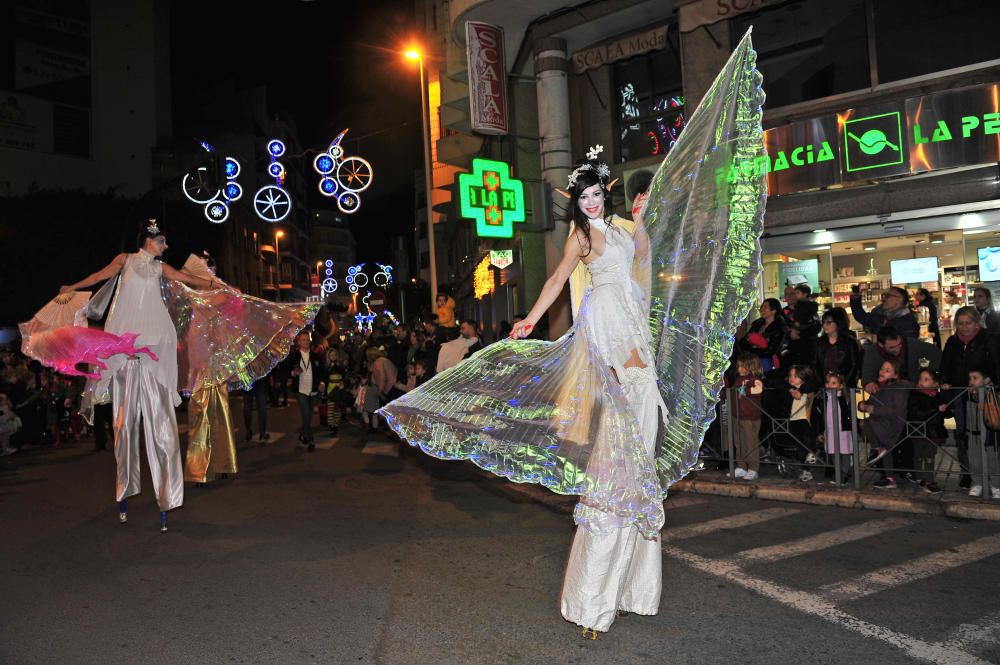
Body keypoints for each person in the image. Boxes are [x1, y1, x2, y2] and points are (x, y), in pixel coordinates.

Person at [379, 36, 765, 639]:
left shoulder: (624, 230)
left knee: (638, 481)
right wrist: (531, 319)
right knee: (613, 484)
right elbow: (560, 281)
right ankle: (590, 604)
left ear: (603, 194)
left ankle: (636, 592)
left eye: (595, 193)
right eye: (583, 195)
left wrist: (652, 218)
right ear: (575, 203)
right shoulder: (582, 241)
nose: (590, 201)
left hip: (641, 361)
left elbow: (651, 270)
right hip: (606, 345)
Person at [57, 220, 217, 532]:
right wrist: (73, 287)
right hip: (123, 350)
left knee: (161, 426)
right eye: (162, 241)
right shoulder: (124, 260)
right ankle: (124, 491)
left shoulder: (161, 268)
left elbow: (190, 280)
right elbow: (97, 276)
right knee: (124, 425)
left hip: (155, 348)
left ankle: (167, 495)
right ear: (148, 240)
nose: (166, 246)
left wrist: (218, 285)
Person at [940, 307, 1000, 486]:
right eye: (960, 323)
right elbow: (945, 366)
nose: (964, 327)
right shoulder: (952, 342)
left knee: (989, 436)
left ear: (977, 323)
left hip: (985, 395)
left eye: (968, 323)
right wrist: (945, 381)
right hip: (961, 395)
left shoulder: (990, 339)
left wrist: (988, 381)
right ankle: (970, 475)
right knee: (964, 435)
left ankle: (994, 477)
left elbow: (996, 366)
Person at [859, 358, 909, 490]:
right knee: (885, 450)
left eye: (887, 370)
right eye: (882, 369)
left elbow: (894, 409)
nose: (882, 372)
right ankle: (889, 477)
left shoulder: (898, 389)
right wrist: (862, 405)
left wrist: (873, 410)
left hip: (891, 424)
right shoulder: (879, 387)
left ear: (896, 375)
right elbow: (871, 401)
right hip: (880, 422)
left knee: (867, 425)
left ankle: (877, 451)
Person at [282, 331, 325, 452]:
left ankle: (303, 433)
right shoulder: (294, 356)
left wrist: (322, 382)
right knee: (306, 414)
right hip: (300, 391)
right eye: (303, 340)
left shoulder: (316, 356)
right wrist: (292, 373)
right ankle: (310, 440)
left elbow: (322, 372)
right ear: (299, 342)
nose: (305, 342)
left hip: (313, 391)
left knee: (308, 416)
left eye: (307, 340)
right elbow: (286, 371)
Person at [860, 326, 941, 391]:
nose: (897, 349)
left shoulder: (911, 344)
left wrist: (929, 374)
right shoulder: (872, 352)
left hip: (911, 391)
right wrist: (869, 383)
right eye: (892, 347)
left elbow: (936, 353)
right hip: (885, 393)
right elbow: (867, 373)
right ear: (881, 345)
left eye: (900, 344)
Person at [905, 368, 947, 494]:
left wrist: (944, 407)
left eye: (926, 379)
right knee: (918, 455)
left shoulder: (938, 395)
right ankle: (919, 477)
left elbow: (946, 413)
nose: (921, 382)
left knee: (929, 456)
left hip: (933, 432)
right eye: (920, 379)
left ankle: (929, 481)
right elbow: (916, 413)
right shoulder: (915, 395)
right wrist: (936, 410)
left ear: (935, 384)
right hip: (918, 430)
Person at [811, 371, 854, 485]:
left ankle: (844, 474)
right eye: (828, 383)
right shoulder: (823, 399)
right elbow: (819, 416)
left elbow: (849, 415)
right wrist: (820, 431)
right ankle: (838, 473)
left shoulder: (844, 399)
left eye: (834, 383)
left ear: (840, 386)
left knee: (845, 452)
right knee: (834, 452)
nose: (830, 385)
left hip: (843, 430)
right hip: (830, 430)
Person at [966, 365, 1000, 498]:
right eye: (970, 378)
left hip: (991, 435)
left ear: (987, 380)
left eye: (975, 378)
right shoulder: (968, 393)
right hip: (973, 433)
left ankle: (996, 485)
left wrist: (986, 405)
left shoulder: (994, 393)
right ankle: (977, 483)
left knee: (994, 460)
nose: (971, 381)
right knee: (974, 459)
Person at [730, 353, 763, 481]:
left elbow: (758, 390)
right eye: (738, 366)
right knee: (739, 442)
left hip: (750, 417)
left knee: (751, 443)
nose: (739, 369)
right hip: (737, 416)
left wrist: (744, 390)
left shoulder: (754, 379)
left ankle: (753, 468)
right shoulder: (738, 380)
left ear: (751, 367)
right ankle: (741, 465)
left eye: (742, 367)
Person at [814, 307, 861, 387]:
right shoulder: (818, 343)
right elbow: (814, 365)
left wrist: (842, 383)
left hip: (845, 386)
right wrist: (824, 383)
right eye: (823, 322)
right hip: (824, 386)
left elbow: (854, 366)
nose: (825, 325)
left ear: (838, 323)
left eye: (829, 322)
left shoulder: (850, 343)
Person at [850, 286, 920, 338]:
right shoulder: (883, 317)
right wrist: (855, 298)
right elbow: (862, 317)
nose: (884, 299)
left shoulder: (909, 323)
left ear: (899, 299)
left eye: (888, 296)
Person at [737, 298, 785, 374]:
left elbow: (770, 351)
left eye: (765, 307)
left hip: (769, 360)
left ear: (774, 310)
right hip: (753, 359)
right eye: (761, 307)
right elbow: (743, 341)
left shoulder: (779, 327)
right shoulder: (757, 324)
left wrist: (751, 348)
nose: (761, 309)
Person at [242, 378, 269, 443]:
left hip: (247, 378)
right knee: (261, 406)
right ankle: (262, 433)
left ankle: (248, 432)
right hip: (260, 378)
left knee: (247, 405)